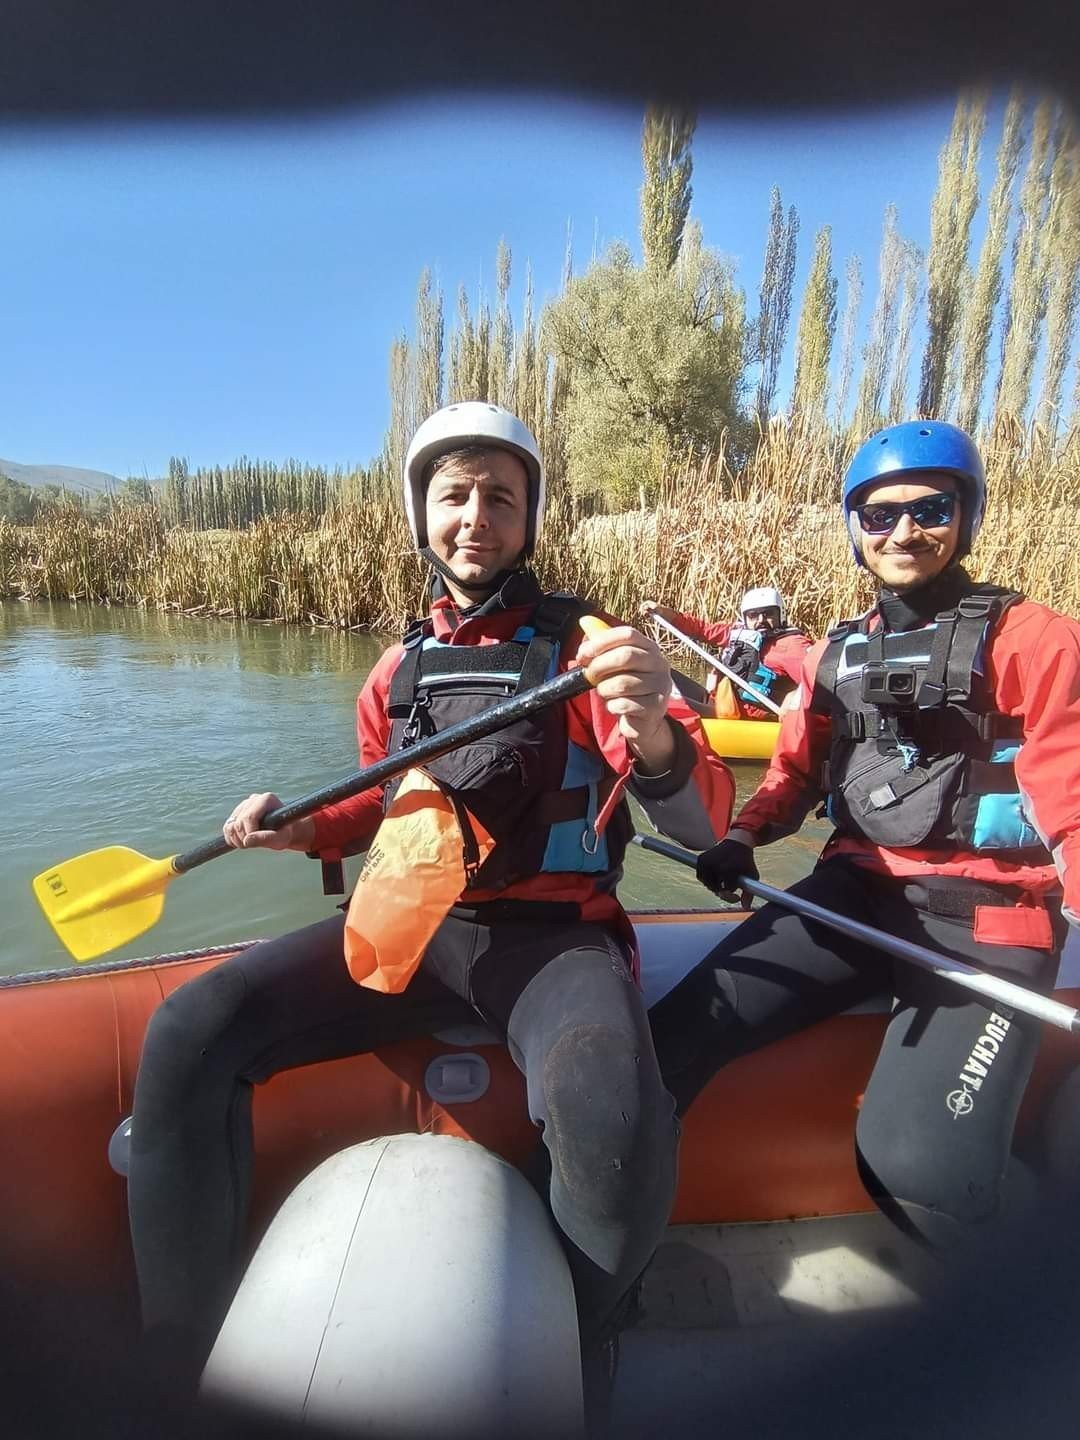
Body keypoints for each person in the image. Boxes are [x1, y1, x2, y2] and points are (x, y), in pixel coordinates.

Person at [126, 401, 735, 1418]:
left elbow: (702, 808)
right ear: (423, 514)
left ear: (528, 518)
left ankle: (578, 1348)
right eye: (454, 495)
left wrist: (661, 735)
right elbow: (379, 802)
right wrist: (303, 830)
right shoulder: (396, 668)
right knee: (189, 1029)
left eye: (501, 496)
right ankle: (175, 1359)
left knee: (614, 1115)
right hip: (419, 928)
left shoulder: (592, 648)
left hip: (554, 944)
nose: (475, 517)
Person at [649, 419, 1080, 1249]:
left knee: (912, 1166)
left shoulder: (1036, 639)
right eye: (879, 516)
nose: (905, 531)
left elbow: (1070, 788)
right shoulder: (841, 654)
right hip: (856, 894)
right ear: (855, 529)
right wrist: (743, 837)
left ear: (967, 515)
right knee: (672, 1041)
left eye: (930, 508)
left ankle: (1011, 1320)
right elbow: (795, 770)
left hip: (991, 923)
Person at [640, 588, 810, 719]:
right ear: (745, 618)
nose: (760, 621)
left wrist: (793, 696)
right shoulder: (738, 632)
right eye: (753, 615)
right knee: (652, 670)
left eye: (768, 614)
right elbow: (700, 629)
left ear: (781, 614)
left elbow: (818, 681)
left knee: (657, 701)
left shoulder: (792, 645)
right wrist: (662, 612)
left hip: (736, 716)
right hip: (717, 700)